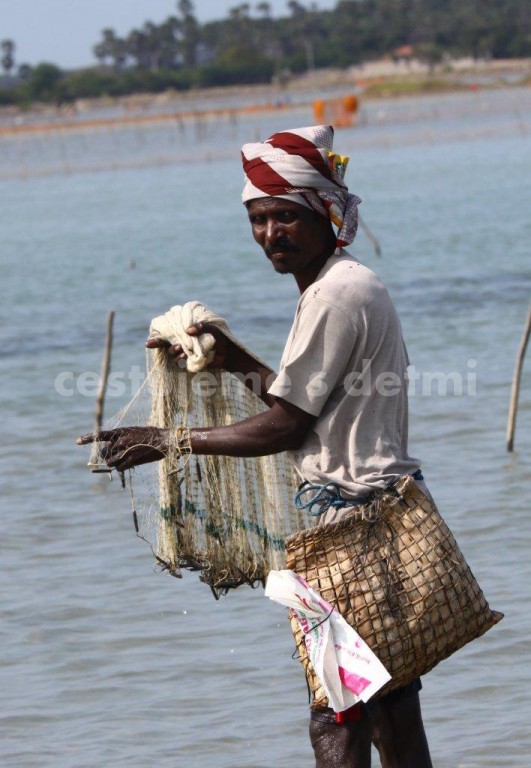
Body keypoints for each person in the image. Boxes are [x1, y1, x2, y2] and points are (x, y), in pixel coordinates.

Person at [78, 125, 433, 767]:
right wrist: (230, 358)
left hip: (352, 533)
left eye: (284, 216)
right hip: (383, 519)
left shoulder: (333, 296)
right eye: (257, 219)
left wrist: (168, 441)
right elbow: (301, 406)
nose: (271, 233)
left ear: (324, 213)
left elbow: (286, 427)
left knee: (337, 718)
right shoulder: (341, 284)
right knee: (389, 708)